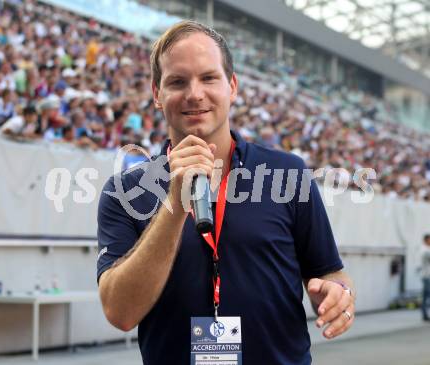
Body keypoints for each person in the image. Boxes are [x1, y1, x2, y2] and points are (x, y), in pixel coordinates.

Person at [97, 20, 355, 365]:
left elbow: (329, 271)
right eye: (177, 81)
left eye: (208, 78)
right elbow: (120, 312)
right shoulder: (124, 191)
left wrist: (339, 294)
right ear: (157, 94)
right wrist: (174, 204)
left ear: (232, 86)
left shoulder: (287, 173)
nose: (194, 94)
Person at [421, 234, 430, 321]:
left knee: (426, 296)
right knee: (427, 296)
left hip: (427, 276)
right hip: (426, 276)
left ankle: (425, 314)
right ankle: (425, 314)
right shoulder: (425, 250)